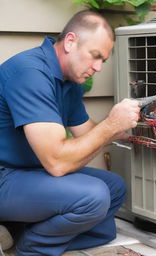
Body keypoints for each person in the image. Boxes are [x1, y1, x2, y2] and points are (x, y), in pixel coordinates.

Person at [0, 10, 140, 256]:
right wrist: (111, 125)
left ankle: (19, 232)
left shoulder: (69, 81)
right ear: (71, 42)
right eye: (95, 56)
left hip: (29, 172)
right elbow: (57, 163)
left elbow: (88, 132)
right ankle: (31, 248)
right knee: (93, 196)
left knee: (114, 188)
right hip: (5, 176)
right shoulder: (30, 73)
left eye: (103, 61)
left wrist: (129, 130)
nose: (97, 67)